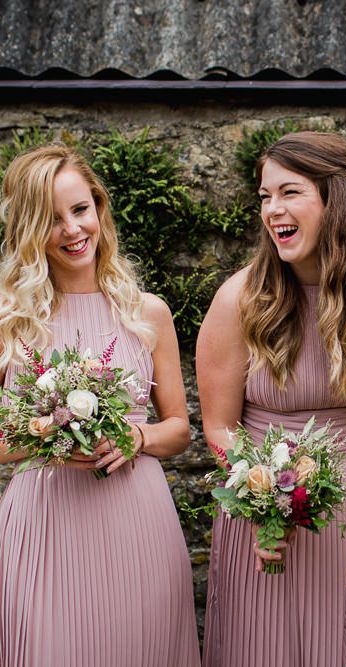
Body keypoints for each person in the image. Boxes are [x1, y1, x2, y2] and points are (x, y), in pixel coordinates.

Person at [198, 131, 346, 667]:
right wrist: (262, 506)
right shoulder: (240, 297)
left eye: (289, 193)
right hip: (266, 526)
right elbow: (220, 425)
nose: (273, 210)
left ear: (335, 198)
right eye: (265, 197)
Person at [0, 145, 200, 666]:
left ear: (99, 208)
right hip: (45, 528)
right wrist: (41, 437)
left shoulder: (147, 313)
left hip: (136, 525)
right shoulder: (9, 321)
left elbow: (179, 428)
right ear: (28, 230)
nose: (72, 229)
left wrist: (138, 437)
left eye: (80, 209)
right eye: (52, 219)